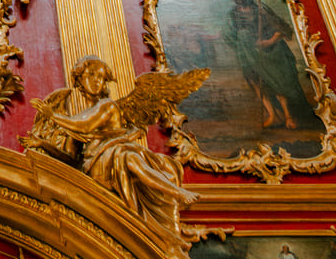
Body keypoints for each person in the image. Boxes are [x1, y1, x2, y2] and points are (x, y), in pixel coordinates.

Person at [27, 57, 204, 244]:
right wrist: (42, 144)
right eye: (91, 74)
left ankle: (176, 192)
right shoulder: (81, 115)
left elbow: (84, 126)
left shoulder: (107, 105)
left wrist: (53, 116)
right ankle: (171, 194)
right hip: (95, 165)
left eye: (101, 77)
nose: (96, 80)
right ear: (79, 78)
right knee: (127, 158)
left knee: (128, 158)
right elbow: (72, 159)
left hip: (112, 155)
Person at [225, 0, 309, 129]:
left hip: (271, 51)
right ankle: (272, 115)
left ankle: (289, 116)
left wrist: (269, 42)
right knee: (257, 83)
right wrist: (242, 41)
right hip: (249, 55)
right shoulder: (233, 14)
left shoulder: (260, 10)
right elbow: (231, 34)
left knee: (276, 82)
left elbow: (283, 28)